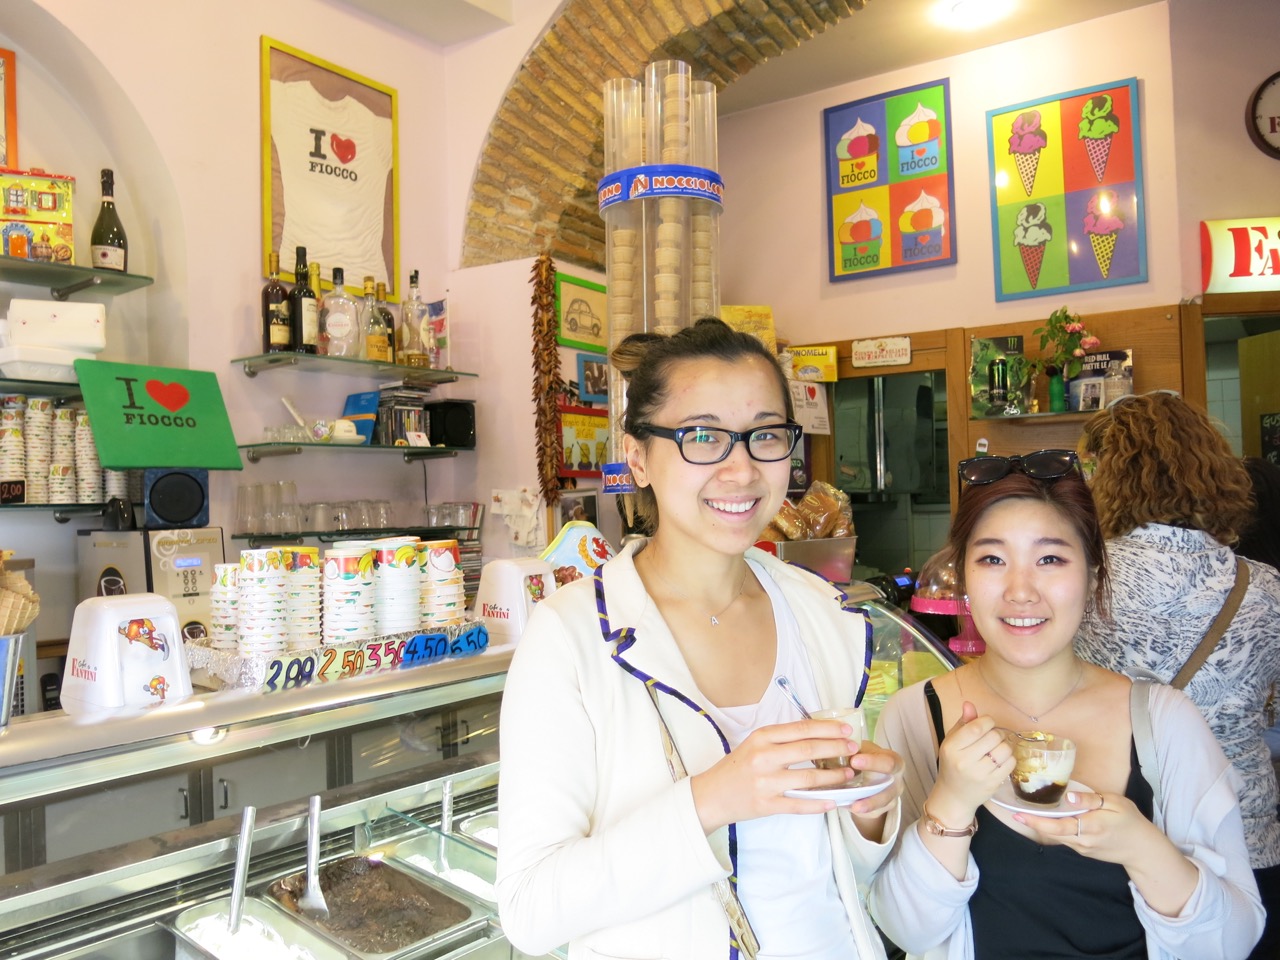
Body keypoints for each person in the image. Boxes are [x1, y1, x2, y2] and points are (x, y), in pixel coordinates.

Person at [497, 318, 903, 960]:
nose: (741, 470)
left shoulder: (822, 617)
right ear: (638, 457)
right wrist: (713, 798)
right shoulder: (571, 637)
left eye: (765, 435)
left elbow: (835, 878)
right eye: (703, 437)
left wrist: (870, 813)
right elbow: (530, 909)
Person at [870, 449, 1262, 960]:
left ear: (1094, 575)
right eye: (992, 559)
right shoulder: (914, 717)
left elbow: (1233, 941)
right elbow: (906, 933)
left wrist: (1143, 848)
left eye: (1050, 559)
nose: (1021, 591)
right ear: (963, 579)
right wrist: (952, 801)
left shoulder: (1162, 721)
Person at [1076, 392, 1280, 960]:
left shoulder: (1082, 580)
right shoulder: (1264, 588)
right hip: (1244, 829)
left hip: (1117, 824)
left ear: (1109, 475)